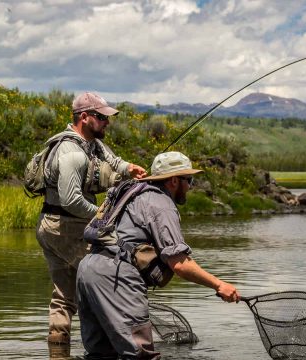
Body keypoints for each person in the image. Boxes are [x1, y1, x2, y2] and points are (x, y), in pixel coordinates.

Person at [76, 151, 241, 359]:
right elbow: (180, 264)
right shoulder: (161, 203)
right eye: (188, 180)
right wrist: (219, 285)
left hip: (88, 268)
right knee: (141, 355)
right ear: (173, 181)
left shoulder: (132, 191)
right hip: (115, 275)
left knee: (100, 354)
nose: (190, 186)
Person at [36, 92, 147, 345]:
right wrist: (103, 216)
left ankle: (58, 348)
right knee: (107, 275)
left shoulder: (92, 144)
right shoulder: (71, 152)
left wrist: (130, 169)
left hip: (54, 225)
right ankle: (115, 342)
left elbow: (113, 161)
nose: (107, 122)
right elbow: (71, 200)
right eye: (101, 117)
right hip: (62, 226)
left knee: (64, 295)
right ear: (84, 117)